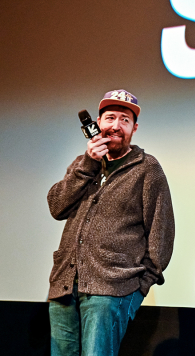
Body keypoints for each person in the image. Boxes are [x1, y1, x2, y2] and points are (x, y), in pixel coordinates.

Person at [47, 89, 175, 355]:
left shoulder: (147, 168)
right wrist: (87, 164)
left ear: (134, 128)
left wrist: (141, 287)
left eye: (124, 120)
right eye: (110, 118)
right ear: (98, 123)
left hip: (113, 290)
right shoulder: (82, 165)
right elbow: (56, 207)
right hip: (64, 286)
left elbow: (161, 231)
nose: (116, 126)